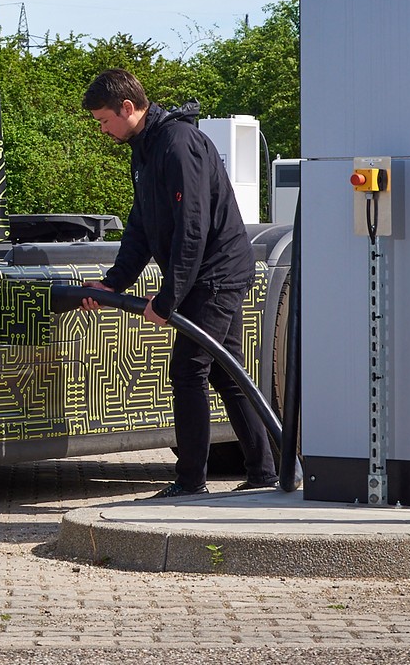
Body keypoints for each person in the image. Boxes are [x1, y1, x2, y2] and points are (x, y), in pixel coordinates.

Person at [79, 68, 276, 498]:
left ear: (127, 108)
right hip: (207, 273)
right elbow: (140, 227)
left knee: (188, 370)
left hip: (217, 273)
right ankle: (265, 474)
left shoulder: (178, 144)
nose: (103, 130)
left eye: (104, 120)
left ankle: (190, 484)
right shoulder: (145, 150)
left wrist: (168, 300)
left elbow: (192, 228)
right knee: (227, 373)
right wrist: (113, 284)